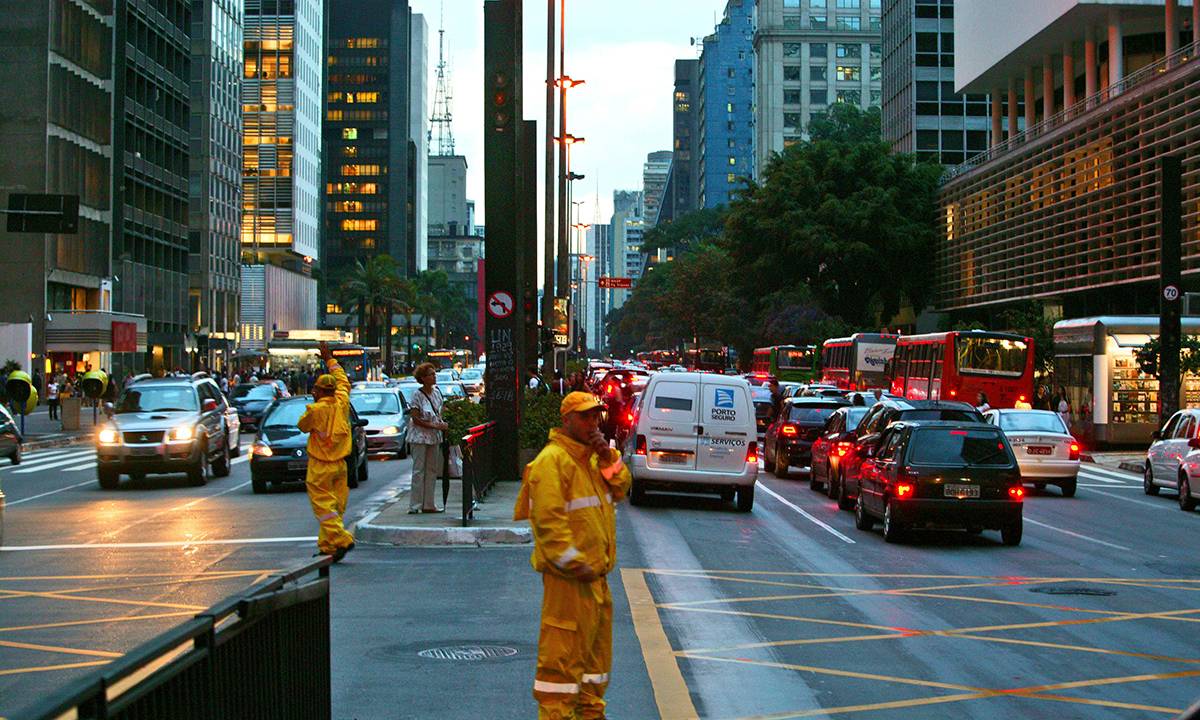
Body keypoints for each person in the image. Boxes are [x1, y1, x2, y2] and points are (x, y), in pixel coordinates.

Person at [513, 391, 632, 720]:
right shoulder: (551, 462)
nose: (592, 422)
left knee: (594, 672)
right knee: (560, 675)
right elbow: (550, 527)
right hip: (570, 584)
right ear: (566, 421)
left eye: (595, 416)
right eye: (584, 416)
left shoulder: (594, 457)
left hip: (596, 582)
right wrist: (576, 565)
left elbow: (621, 488)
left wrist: (607, 455)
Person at [297, 342, 356, 562]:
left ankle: (341, 539)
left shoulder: (315, 410)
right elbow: (342, 379)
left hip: (320, 466)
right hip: (341, 465)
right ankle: (328, 545)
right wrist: (329, 359)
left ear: (321, 391)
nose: (313, 392)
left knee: (324, 507)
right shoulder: (342, 402)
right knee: (335, 508)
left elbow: (302, 426)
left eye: (316, 389)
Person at [407, 362, 447, 513]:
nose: (434, 377)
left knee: (432, 470)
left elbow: (439, 412)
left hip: (434, 437)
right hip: (419, 437)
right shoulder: (417, 395)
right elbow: (416, 419)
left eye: (434, 374)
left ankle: (429, 504)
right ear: (423, 378)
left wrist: (441, 425)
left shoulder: (436, 393)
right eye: (431, 374)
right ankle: (415, 505)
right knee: (419, 470)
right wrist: (436, 426)